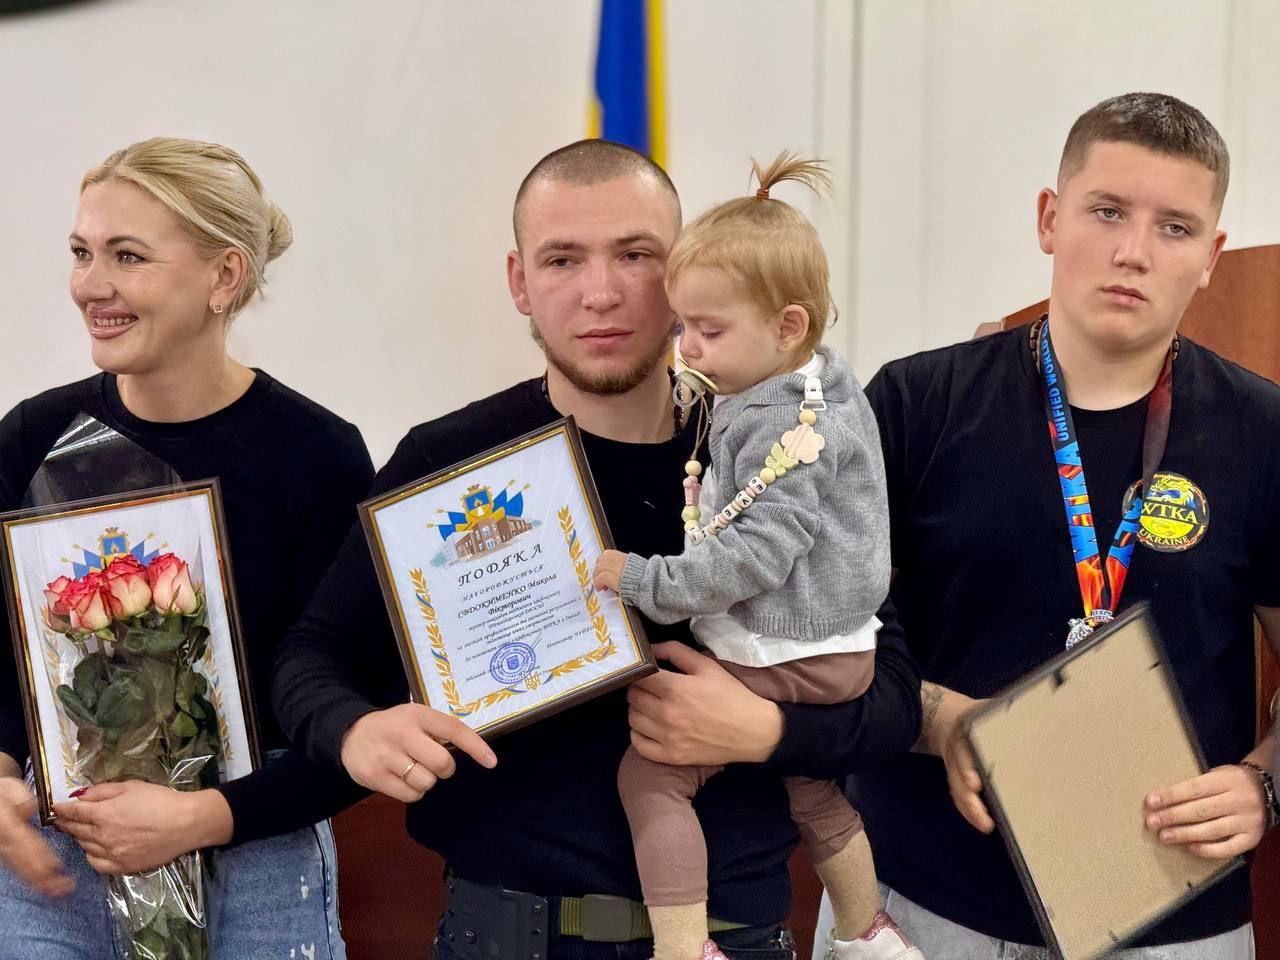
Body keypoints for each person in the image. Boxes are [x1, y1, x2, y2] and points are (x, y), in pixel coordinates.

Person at [271, 138, 924, 960]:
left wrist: (768, 731)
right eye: (562, 260)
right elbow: (313, 655)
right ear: (520, 281)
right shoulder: (450, 460)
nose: (601, 292)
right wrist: (352, 730)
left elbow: (892, 695)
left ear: (683, 269)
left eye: (635, 255)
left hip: (737, 935)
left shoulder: (771, 444)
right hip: (505, 936)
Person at [842, 92, 1280, 959]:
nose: (1133, 252)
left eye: (1175, 228)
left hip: (1172, 923)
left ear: (1210, 256)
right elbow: (822, 632)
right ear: (1050, 218)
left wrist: (1265, 782)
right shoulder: (914, 403)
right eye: (1107, 211)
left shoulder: (1264, 434)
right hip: (924, 908)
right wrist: (937, 717)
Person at [0, 137, 375, 959]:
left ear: (224, 277)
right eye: (82, 252)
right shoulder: (30, 437)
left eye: (127, 256)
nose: (91, 285)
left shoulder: (316, 454)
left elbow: (355, 714)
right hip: (60, 851)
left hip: (255, 845)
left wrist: (202, 818)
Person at [592, 153, 921, 960]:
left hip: (794, 650)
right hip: (834, 648)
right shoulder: (814, 386)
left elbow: (758, 554)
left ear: (788, 327)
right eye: (682, 327)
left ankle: (682, 949)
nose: (688, 350)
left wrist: (643, 579)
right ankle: (865, 928)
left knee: (650, 777)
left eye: (709, 331)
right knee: (811, 786)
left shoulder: (784, 423)